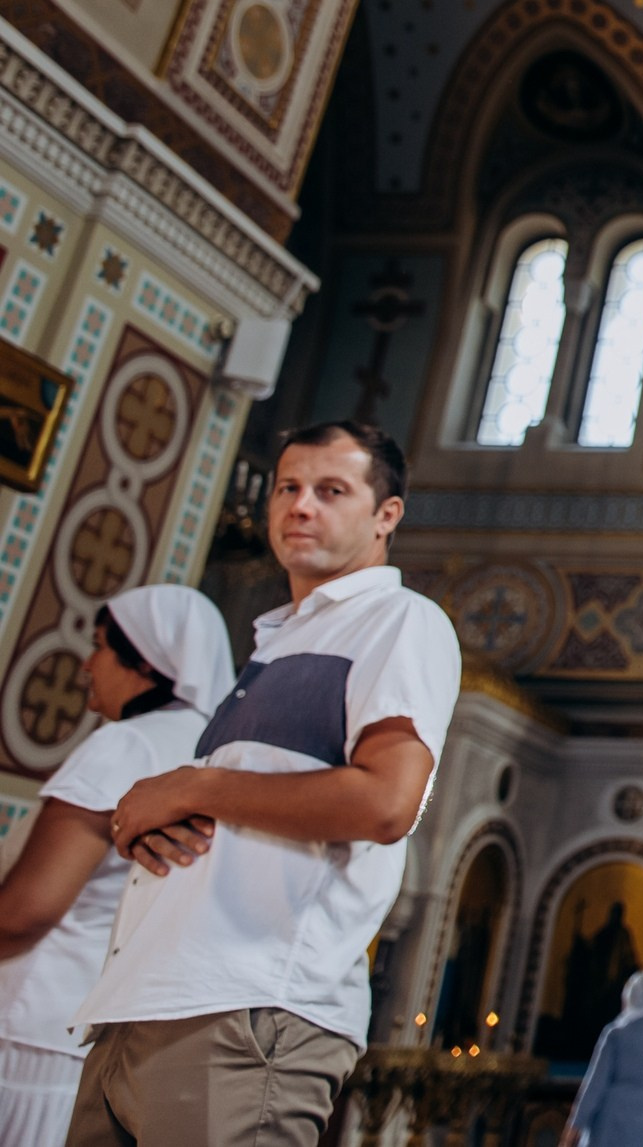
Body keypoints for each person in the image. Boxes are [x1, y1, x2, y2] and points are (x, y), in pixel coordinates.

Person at [67, 422, 463, 1147]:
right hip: (143, 1001)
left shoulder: (400, 621)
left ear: (386, 515)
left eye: (331, 490)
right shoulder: (279, 638)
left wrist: (196, 786)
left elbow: (385, 803)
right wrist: (156, 814)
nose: (300, 506)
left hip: (251, 1011)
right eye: (289, 487)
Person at [0, 589, 232, 1147]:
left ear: (146, 664)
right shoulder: (218, 756)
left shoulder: (126, 746)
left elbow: (26, 911)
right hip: (110, 1034)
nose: (87, 664)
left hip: (28, 1029)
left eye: (101, 647)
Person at [564, 971, 643, 1147]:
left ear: (629, 997)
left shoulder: (617, 1033)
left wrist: (574, 1126)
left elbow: (595, 1086)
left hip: (613, 1128)